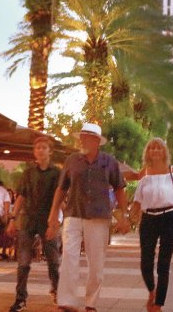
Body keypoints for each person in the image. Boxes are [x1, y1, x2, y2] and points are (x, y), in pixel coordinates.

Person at [47, 122, 128, 312]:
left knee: (96, 262)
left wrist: (124, 216)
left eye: (86, 137)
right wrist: (53, 215)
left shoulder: (109, 161)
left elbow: (119, 188)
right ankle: (66, 301)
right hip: (73, 214)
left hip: (99, 217)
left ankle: (91, 302)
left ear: (97, 141)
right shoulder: (72, 160)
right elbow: (61, 188)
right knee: (69, 257)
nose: (82, 140)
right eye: (81, 137)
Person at [129, 138, 173, 312]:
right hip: (148, 220)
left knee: (164, 264)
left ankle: (158, 305)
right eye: (151, 148)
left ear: (164, 152)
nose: (155, 150)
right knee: (145, 263)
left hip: (169, 218)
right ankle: (151, 290)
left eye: (159, 148)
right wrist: (127, 218)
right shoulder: (144, 173)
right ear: (147, 152)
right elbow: (137, 201)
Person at [7, 135, 62, 312]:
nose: (40, 150)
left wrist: (56, 222)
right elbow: (21, 196)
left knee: (53, 260)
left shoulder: (56, 173)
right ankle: (20, 299)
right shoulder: (28, 172)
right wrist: (12, 218)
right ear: (34, 152)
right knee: (23, 263)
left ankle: (57, 290)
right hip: (27, 220)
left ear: (50, 152)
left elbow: (59, 198)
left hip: (48, 220)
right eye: (37, 148)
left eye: (44, 147)